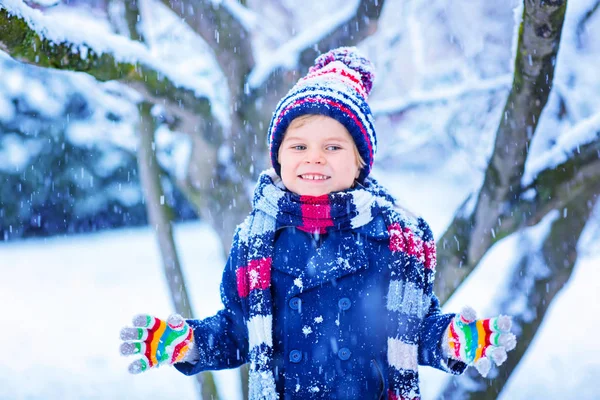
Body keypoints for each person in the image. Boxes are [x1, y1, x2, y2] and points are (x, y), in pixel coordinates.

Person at [120, 47, 516, 400]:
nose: (314, 158)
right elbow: (236, 331)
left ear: (360, 161)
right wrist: (189, 343)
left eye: (333, 147)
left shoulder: (393, 240)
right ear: (278, 158)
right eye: (299, 146)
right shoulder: (257, 242)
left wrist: (449, 339)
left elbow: (413, 330)